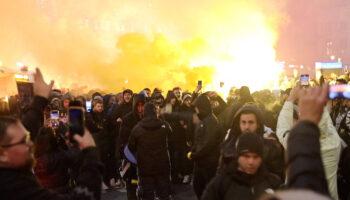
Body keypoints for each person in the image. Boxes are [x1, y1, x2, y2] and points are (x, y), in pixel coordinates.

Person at [0, 68, 103, 200]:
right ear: (2, 153)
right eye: (24, 141)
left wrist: (40, 99)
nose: (31, 143)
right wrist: (90, 152)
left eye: (28, 137)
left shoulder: (9, 159)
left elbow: (24, 128)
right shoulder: (13, 188)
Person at [277, 83, 340, 200]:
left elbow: (282, 127)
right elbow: (328, 123)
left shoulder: (296, 143)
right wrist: (319, 107)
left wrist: (291, 98)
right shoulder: (334, 142)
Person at [202, 133, 281, 200]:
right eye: (246, 156)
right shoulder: (221, 184)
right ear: (238, 156)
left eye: (256, 157)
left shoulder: (273, 183)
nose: (251, 162)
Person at [221, 103, 284, 179]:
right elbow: (220, 175)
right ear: (239, 124)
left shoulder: (269, 148)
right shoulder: (229, 146)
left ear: (258, 124)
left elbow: (277, 176)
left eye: (251, 122)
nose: (247, 127)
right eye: (243, 122)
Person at [128, 103, 172, 200]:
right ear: (155, 112)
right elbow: (172, 141)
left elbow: (130, 147)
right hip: (162, 165)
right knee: (164, 193)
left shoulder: (137, 128)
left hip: (145, 167)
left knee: (147, 194)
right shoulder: (164, 125)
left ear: (144, 113)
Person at [119, 94, 146, 200]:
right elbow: (123, 140)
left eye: (142, 105)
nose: (140, 108)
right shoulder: (127, 119)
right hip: (131, 159)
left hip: (146, 160)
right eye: (138, 105)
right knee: (131, 188)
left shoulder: (149, 118)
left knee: (145, 190)